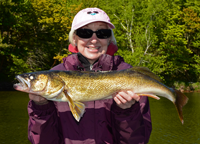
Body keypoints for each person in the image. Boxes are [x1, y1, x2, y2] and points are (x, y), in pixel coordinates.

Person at [28, 7, 152, 144]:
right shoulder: (53, 77)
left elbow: (138, 141)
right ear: (74, 38)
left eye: (102, 33)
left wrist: (127, 112)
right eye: (85, 32)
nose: (93, 40)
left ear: (109, 38)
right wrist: (41, 108)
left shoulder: (130, 76)